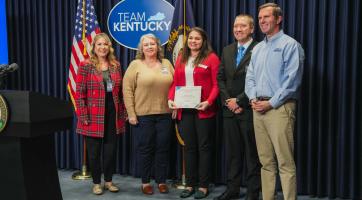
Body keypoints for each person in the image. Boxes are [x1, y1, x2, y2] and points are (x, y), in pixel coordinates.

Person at [245, 3, 305, 200]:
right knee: (266, 162)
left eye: (266, 17)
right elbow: (250, 77)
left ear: (278, 19)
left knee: (285, 163)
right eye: (260, 18)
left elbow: (292, 81)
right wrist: (253, 98)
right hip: (257, 109)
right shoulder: (258, 48)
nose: (262, 21)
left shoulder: (290, 45)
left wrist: (270, 103)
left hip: (279, 108)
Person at [168, 27, 220, 199]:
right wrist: (171, 99)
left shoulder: (211, 58)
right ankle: (190, 184)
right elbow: (175, 82)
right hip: (185, 109)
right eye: (191, 38)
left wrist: (209, 102)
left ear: (203, 41)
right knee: (189, 148)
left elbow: (216, 84)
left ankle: (203, 186)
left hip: (203, 110)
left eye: (197, 38)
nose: (193, 41)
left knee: (204, 148)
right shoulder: (182, 58)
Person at [216, 14, 261, 200]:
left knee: (252, 155)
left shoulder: (260, 49)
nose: (238, 29)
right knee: (233, 154)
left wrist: (240, 102)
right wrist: (229, 102)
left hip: (249, 110)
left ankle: (252, 193)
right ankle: (232, 189)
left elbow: (260, 80)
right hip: (229, 111)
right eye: (235, 26)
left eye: (243, 26)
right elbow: (220, 78)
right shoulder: (227, 50)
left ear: (252, 29)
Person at [123, 33, 174, 195]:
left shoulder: (166, 63)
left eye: (153, 44)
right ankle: (145, 182)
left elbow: (176, 85)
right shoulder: (135, 65)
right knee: (145, 149)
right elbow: (127, 90)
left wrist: (176, 107)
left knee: (163, 148)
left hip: (165, 114)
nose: (150, 47)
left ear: (158, 46)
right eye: (146, 45)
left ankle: (161, 181)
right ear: (141, 48)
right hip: (143, 115)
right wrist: (131, 113)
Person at [75, 33, 126, 195]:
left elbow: (120, 92)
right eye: (99, 44)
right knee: (94, 152)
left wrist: (123, 112)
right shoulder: (86, 65)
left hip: (113, 113)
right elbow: (80, 93)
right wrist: (83, 116)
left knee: (110, 151)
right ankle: (97, 183)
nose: (102, 47)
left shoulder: (115, 65)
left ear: (109, 47)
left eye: (105, 44)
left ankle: (109, 181)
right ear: (94, 47)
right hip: (93, 114)